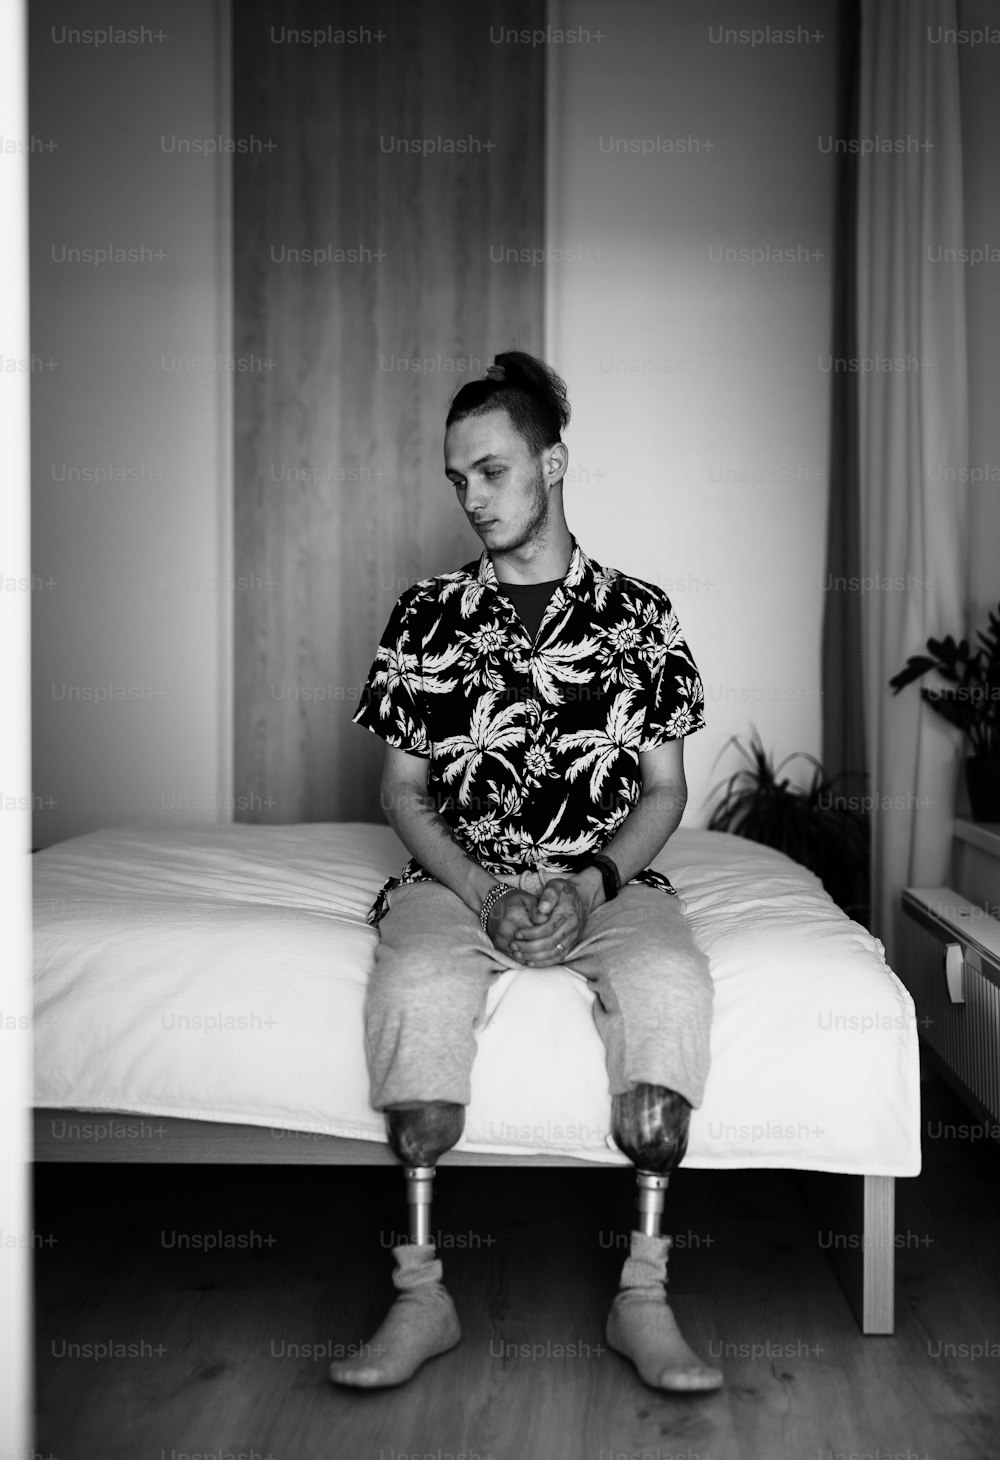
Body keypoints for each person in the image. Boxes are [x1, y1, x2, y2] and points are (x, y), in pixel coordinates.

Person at [329, 351, 720, 1393]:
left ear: (552, 461)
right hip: (456, 883)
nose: (471, 497)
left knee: (673, 987)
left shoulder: (641, 614)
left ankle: (642, 1294)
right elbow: (401, 794)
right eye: (457, 478)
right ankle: (421, 1294)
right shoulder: (424, 614)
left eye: (491, 470)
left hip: (604, 882)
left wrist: (589, 886)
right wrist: (485, 891)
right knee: (411, 991)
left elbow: (664, 793)